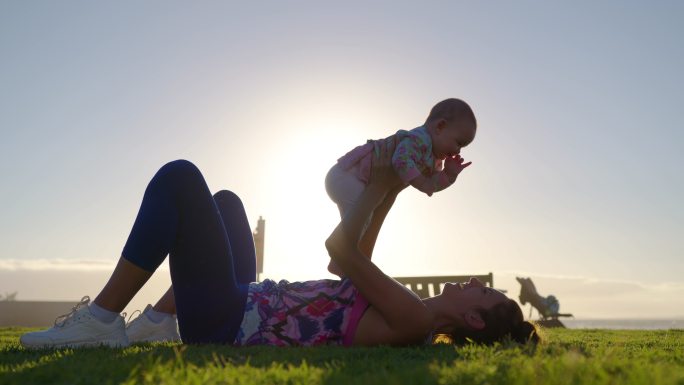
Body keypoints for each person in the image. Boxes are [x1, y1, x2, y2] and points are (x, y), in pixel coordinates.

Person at [21, 140, 538, 349]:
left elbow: (340, 251)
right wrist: (393, 186)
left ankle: (102, 320)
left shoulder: (418, 320)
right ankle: (158, 323)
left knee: (180, 177)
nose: (475, 285)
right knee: (226, 203)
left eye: (483, 295)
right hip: (244, 301)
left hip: (230, 321)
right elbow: (352, 265)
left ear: (472, 320)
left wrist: (384, 182)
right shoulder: (411, 314)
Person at [325, 98, 476, 276]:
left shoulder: (434, 159)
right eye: (459, 143)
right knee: (362, 218)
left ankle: (347, 261)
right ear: (440, 126)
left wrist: (448, 176)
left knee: (364, 219)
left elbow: (431, 186)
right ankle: (340, 260)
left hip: (361, 182)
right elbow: (400, 160)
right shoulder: (418, 139)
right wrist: (422, 182)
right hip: (347, 175)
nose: (459, 151)